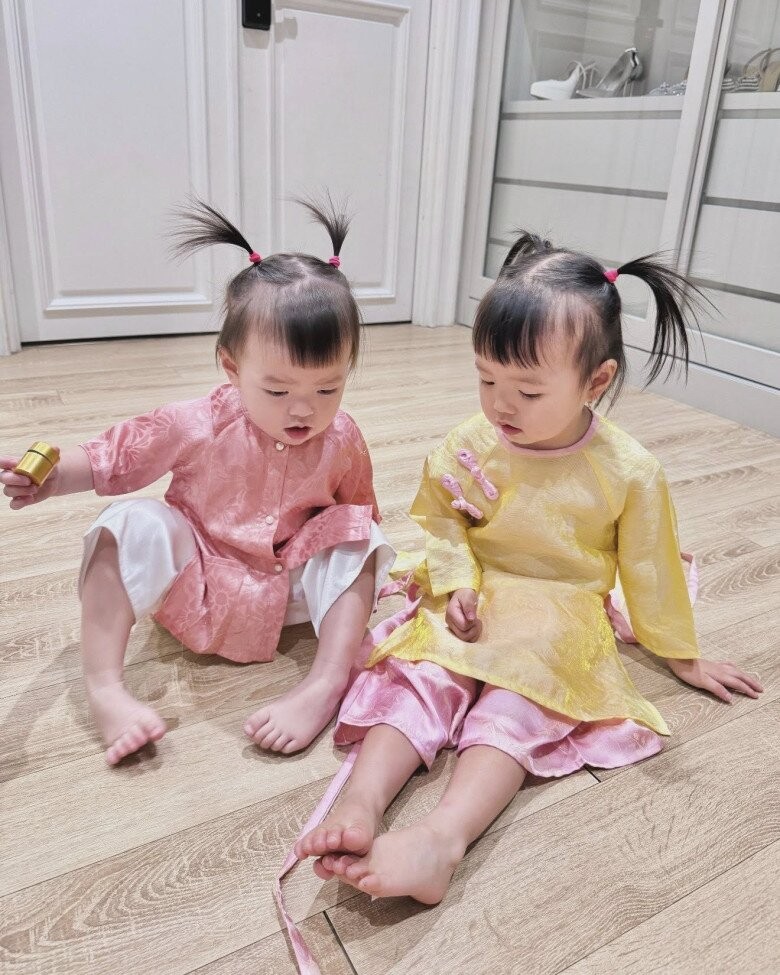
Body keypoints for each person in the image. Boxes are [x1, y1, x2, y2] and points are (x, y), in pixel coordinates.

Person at [294, 232, 763, 904]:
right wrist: (458, 580)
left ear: (596, 381)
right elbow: (442, 517)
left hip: (561, 607)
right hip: (477, 589)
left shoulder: (630, 471)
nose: (500, 405)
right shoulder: (473, 440)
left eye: (528, 390)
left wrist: (681, 655)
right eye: (486, 379)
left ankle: (443, 838)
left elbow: (650, 567)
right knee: (424, 672)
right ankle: (362, 800)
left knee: (520, 700)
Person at [0, 199, 394, 766]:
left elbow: (359, 511)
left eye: (328, 389)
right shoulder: (197, 422)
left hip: (285, 586)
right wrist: (55, 476)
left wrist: (372, 576)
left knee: (357, 531)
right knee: (126, 523)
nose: (303, 410)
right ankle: (105, 687)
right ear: (231, 368)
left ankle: (326, 682)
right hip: (198, 575)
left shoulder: (343, 437)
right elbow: (118, 454)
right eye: (278, 390)